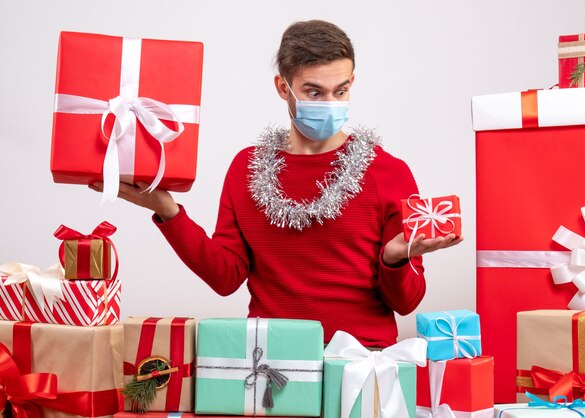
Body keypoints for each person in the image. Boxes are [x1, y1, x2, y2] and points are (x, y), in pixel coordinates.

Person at [90, 20, 462, 347]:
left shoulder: (388, 172)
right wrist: (167, 212)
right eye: (314, 92)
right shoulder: (246, 168)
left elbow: (407, 303)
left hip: (362, 361)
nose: (329, 103)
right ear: (283, 88)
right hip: (272, 360)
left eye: (341, 91)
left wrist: (394, 259)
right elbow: (226, 277)